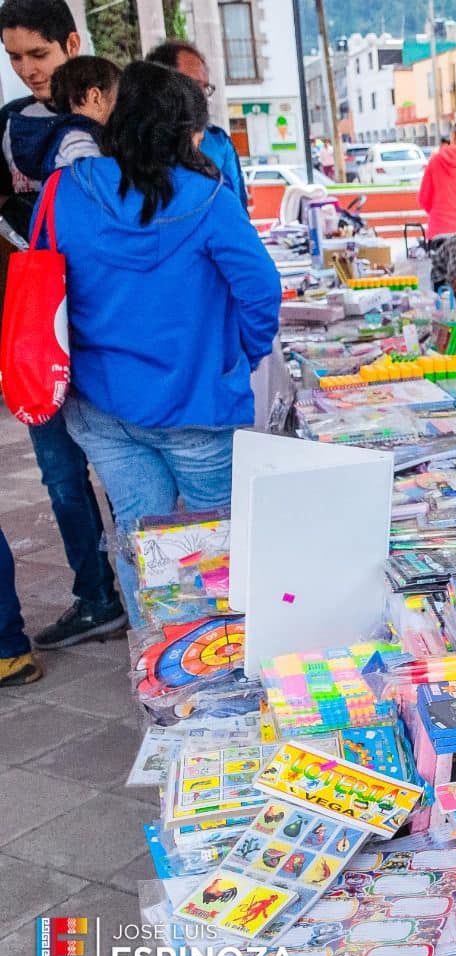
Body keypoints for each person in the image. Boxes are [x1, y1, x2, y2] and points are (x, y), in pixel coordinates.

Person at [51, 61, 280, 618]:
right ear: (187, 132)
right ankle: (216, 676)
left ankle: (163, 674)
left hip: (100, 402)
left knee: (140, 538)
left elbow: (46, 281)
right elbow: (261, 292)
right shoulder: (206, 198)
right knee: (221, 550)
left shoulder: (66, 189)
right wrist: (240, 355)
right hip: (195, 406)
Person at [0, 0, 124, 655]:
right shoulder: (8, 126)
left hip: (111, 324)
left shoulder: (119, 117)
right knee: (58, 473)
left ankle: (161, 587)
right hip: (39, 330)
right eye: (14, 57)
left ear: (71, 42)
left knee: (134, 460)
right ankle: (96, 595)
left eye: (39, 55)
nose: (27, 70)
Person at [144, 39, 247, 211]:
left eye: (205, 87)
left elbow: (238, 209)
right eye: (194, 85)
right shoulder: (130, 144)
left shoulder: (218, 143)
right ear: (162, 85)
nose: (202, 96)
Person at [44, 54, 117, 170]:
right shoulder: (76, 140)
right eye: (119, 99)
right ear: (95, 98)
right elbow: (101, 180)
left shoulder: (76, 135)